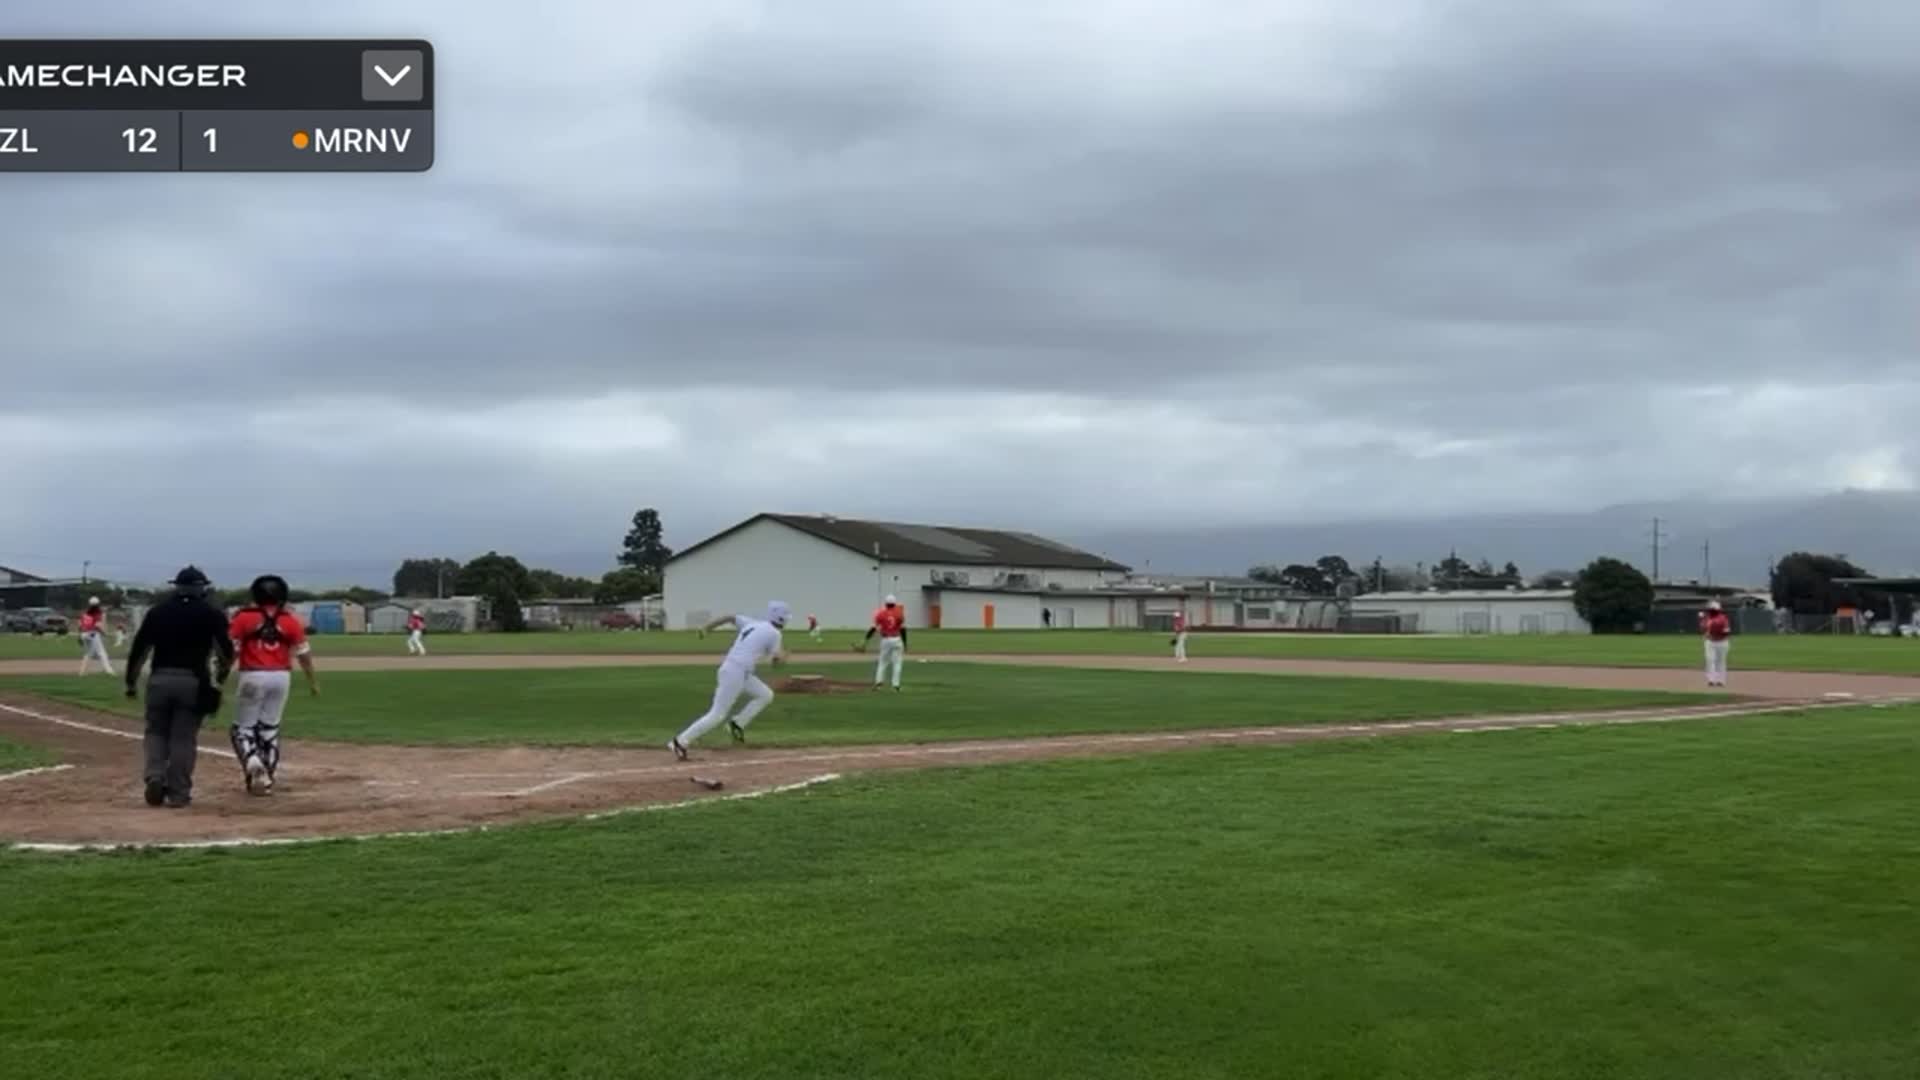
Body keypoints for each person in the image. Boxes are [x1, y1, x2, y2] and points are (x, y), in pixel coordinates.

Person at [124, 566, 234, 808]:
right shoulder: (211, 613)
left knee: (155, 731)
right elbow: (225, 652)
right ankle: (178, 793)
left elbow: (139, 650)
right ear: (201, 588)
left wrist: (131, 683)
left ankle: (155, 775)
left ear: (177, 587)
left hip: (160, 679)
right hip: (192, 680)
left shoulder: (157, 612)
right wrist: (220, 678)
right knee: (183, 738)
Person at [226, 574, 319, 796]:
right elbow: (304, 654)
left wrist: (220, 676)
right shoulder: (289, 621)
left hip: (253, 676)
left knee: (242, 729)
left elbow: (232, 651)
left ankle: (252, 763)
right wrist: (312, 682)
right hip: (281, 677)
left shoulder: (243, 619)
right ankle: (266, 778)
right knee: (270, 729)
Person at [669, 601, 789, 759]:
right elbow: (776, 663)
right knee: (717, 714)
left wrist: (707, 628)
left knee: (765, 695)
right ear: (782, 619)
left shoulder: (754, 624)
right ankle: (680, 741)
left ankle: (737, 723)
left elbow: (729, 618)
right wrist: (783, 657)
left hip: (737, 670)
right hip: (736, 672)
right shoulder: (775, 633)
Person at [863, 594, 907, 691]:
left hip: (886, 640)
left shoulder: (881, 614)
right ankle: (896, 686)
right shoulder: (899, 613)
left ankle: (879, 684)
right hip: (896, 639)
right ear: (894, 604)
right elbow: (903, 629)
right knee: (897, 663)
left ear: (886, 604)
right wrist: (905, 643)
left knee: (882, 662)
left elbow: (874, 628)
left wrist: (866, 639)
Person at [77, 597, 114, 677]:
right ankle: (109, 671)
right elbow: (97, 626)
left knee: (89, 653)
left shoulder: (85, 613)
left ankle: (82, 672)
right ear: (98, 604)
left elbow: (80, 625)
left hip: (84, 634)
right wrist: (105, 634)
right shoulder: (97, 613)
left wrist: (79, 636)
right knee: (102, 653)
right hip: (93, 634)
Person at [1699, 600, 1732, 688]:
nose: (1710, 611)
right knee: (1710, 660)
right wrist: (1702, 621)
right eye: (1710, 609)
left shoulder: (1723, 618)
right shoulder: (1707, 618)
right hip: (1710, 642)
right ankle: (1711, 680)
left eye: (1712, 609)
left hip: (1722, 642)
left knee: (1721, 661)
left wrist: (1716, 631)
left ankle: (1721, 680)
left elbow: (1727, 631)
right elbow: (1703, 629)